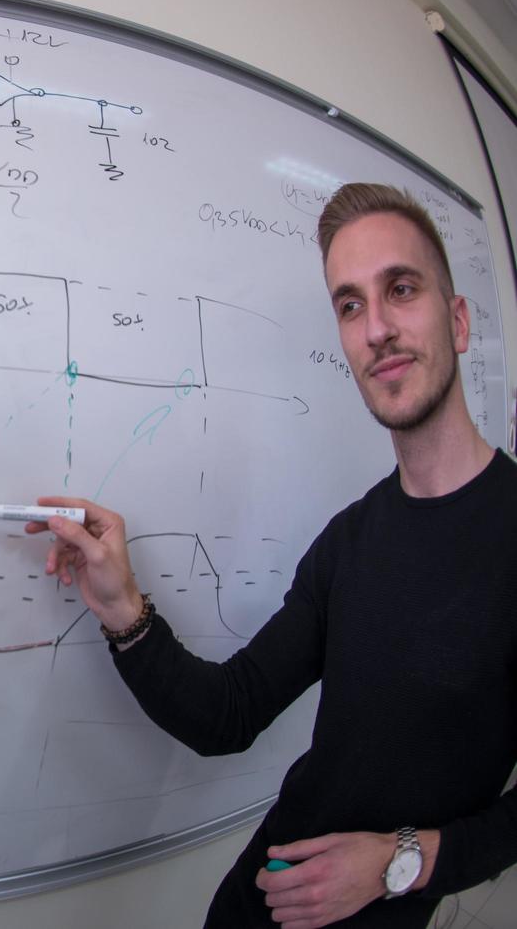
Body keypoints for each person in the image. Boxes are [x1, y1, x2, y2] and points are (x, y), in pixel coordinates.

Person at [31, 183, 517, 928]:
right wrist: (122, 607)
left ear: (456, 321)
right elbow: (227, 716)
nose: (377, 327)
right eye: (350, 305)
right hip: (251, 904)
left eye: (402, 289)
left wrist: (397, 862)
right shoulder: (349, 541)